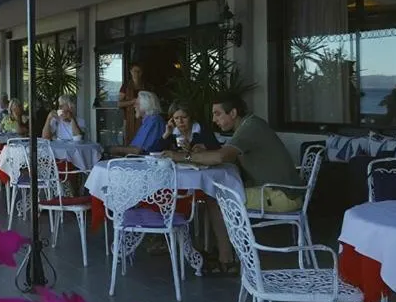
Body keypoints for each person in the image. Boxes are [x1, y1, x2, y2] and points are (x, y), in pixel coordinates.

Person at [163, 93, 300, 275]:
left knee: (217, 199)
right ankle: (222, 252)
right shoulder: (249, 125)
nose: (214, 119)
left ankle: (226, 259)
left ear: (233, 113)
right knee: (216, 195)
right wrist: (206, 152)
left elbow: (221, 157)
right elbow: (228, 157)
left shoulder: (251, 127)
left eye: (218, 114)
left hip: (281, 195)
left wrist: (182, 156)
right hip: (277, 190)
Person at [109, 91, 166, 155]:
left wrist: (114, 149)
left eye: (137, 104)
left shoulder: (154, 121)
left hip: (144, 162)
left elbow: (138, 151)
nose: (134, 106)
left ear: (145, 105)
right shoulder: (149, 120)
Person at [118, 63, 146, 145]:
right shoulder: (125, 86)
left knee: (142, 139)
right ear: (131, 72)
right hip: (128, 118)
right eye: (135, 71)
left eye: (139, 71)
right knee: (129, 139)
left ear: (141, 73)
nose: (137, 73)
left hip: (143, 119)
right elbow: (119, 104)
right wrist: (133, 101)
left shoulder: (145, 86)